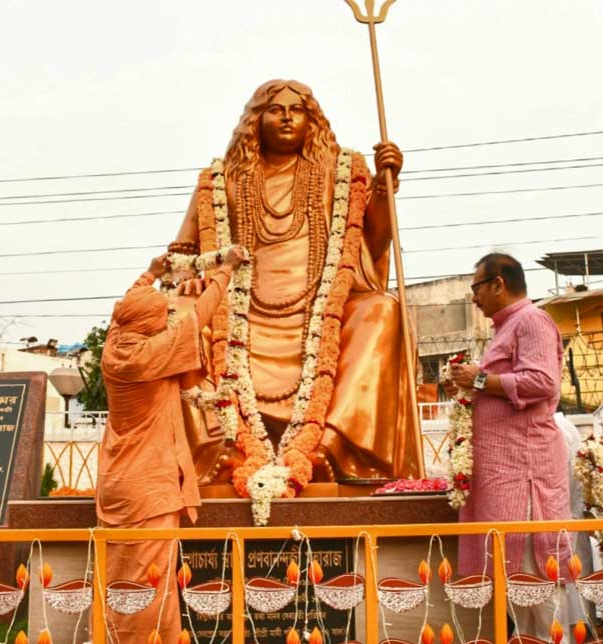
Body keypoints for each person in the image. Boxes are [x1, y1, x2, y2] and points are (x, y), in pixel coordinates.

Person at [170, 79, 422, 484]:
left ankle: (335, 448)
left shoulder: (338, 172)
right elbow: (182, 254)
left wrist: (383, 184)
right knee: (178, 319)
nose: (287, 117)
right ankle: (220, 448)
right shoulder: (223, 180)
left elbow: (370, 242)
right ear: (255, 120)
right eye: (275, 109)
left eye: (297, 110)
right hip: (238, 318)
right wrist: (186, 281)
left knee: (384, 310)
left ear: (312, 120)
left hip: (322, 314)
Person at [97, 246, 246, 644]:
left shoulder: (115, 347)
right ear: (150, 326)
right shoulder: (150, 355)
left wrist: (148, 274)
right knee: (150, 588)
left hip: (118, 483)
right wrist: (226, 271)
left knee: (122, 583)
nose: (168, 319)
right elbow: (198, 316)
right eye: (162, 316)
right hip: (150, 486)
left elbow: (123, 310)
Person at [444, 253, 572, 644]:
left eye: (476, 288)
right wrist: (470, 384)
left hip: (525, 481)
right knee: (519, 599)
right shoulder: (505, 328)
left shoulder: (531, 320)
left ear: (498, 284)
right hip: (505, 480)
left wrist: (480, 379)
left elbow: (542, 382)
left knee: (537, 593)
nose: (475, 298)